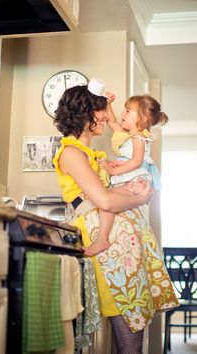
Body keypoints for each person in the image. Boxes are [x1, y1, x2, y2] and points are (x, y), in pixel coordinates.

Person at [53, 81, 179, 354]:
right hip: (109, 249)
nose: (105, 116)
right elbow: (105, 201)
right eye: (99, 110)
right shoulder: (73, 153)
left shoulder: (93, 155)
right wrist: (142, 198)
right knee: (127, 326)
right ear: (86, 115)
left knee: (132, 325)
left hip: (124, 249)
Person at [84, 92, 168, 256]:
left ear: (143, 119)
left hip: (135, 180)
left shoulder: (139, 139)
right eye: (124, 109)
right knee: (108, 199)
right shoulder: (128, 134)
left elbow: (136, 161)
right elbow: (112, 121)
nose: (123, 114)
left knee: (107, 202)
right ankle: (103, 237)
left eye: (128, 111)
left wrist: (114, 170)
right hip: (128, 178)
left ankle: (102, 239)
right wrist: (108, 105)